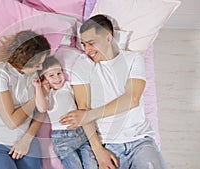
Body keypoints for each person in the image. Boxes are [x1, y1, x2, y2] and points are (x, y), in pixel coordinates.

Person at [60, 14, 167, 169]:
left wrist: (90, 114)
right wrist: (98, 151)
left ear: (108, 38)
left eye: (91, 43)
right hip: (107, 144)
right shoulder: (81, 66)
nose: (87, 50)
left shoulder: (133, 59)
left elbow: (132, 99)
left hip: (139, 141)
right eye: (83, 44)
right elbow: (82, 110)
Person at [0, 30, 51, 169]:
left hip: (26, 140)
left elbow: (41, 111)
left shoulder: (34, 74)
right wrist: (37, 97)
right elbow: (11, 122)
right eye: (36, 64)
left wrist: (27, 139)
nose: (40, 67)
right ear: (24, 60)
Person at [32, 56, 98, 169]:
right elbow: (42, 108)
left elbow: (82, 99)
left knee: (91, 164)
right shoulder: (48, 94)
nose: (57, 78)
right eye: (51, 75)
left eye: (59, 73)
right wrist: (38, 87)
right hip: (62, 138)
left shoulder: (68, 86)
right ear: (44, 79)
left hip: (81, 132)